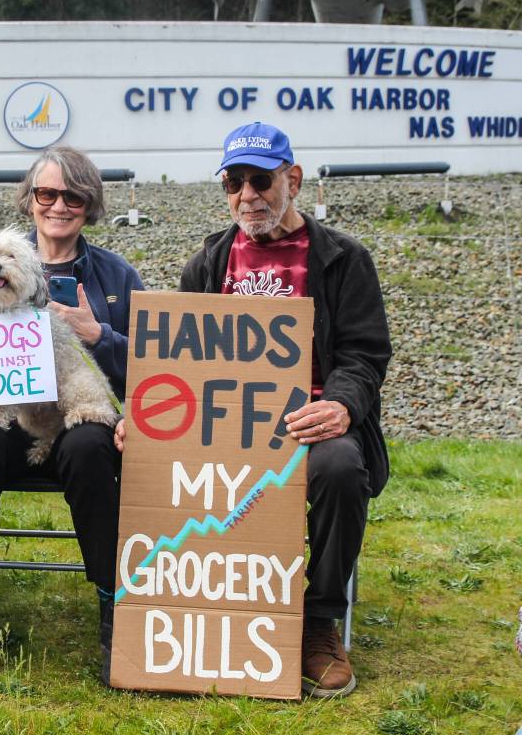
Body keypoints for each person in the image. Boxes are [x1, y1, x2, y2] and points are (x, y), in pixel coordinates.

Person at [116, 121, 391, 698]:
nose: (247, 195)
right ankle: (190, 609)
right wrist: (141, 414)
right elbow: (179, 360)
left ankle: (318, 618)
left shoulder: (344, 259)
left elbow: (365, 353)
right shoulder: (209, 263)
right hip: (225, 432)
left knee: (341, 468)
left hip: (310, 427)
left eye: (260, 180)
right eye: (233, 183)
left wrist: (341, 404)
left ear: (292, 179)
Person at [0, 146, 144, 682]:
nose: (58, 205)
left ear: (89, 203)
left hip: (72, 427)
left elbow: (156, 361)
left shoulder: (117, 276)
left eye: (72, 195)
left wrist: (99, 334)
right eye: (47, 193)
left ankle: (113, 606)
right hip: (0, 423)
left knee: (91, 443)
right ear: (30, 201)